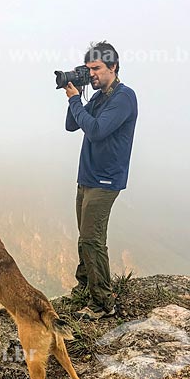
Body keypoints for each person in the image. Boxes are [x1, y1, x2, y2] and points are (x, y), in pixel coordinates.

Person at [65, 41, 138, 321]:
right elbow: (72, 125)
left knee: (92, 239)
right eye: (88, 69)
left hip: (106, 180)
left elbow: (95, 131)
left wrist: (75, 101)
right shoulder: (97, 97)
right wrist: (75, 93)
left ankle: (103, 303)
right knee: (85, 237)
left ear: (113, 67)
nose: (91, 73)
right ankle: (85, 286)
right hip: (87, 176)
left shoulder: (124, 97)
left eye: (96, 68)